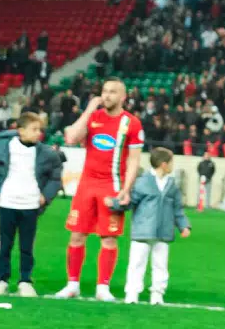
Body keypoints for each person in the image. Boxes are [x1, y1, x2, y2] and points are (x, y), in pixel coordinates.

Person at [53, 78, 144, 301]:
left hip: (111, 187)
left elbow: (134, 160)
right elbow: (71, 138)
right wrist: (89, 109)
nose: (107, 95)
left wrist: (126, 189)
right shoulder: (93, 117)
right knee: (77, 235)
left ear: (123, 97)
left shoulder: (131, 123)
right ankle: (72, 284)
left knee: (109, 238)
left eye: (112, 92)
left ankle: (103, 287)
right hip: (86, 186)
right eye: (104, 91)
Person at [0, 112, 64, 296]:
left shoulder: (46, 153)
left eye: (40, 129)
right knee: (5, 245)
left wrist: (46, 195)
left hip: (30, 204)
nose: (39, 133)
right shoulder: (2, 147)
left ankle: (25, 281)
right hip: (7, 202)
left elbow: (55, 176)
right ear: (21, 130)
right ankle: (2, 280)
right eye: (34, 129)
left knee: (27, 247)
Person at [109, 147, 191, 305]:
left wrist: (183, 225)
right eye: (171, 162)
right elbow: (130, 201)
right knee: (136, 263)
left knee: (161, 265)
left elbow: (177, 208)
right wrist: (115, 204)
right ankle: (132, 293)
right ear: (163, 164)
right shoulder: (142, 182)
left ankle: (157, 294)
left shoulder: (172, 185)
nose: (172, 165)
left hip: (163, 232)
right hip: (142, 231)